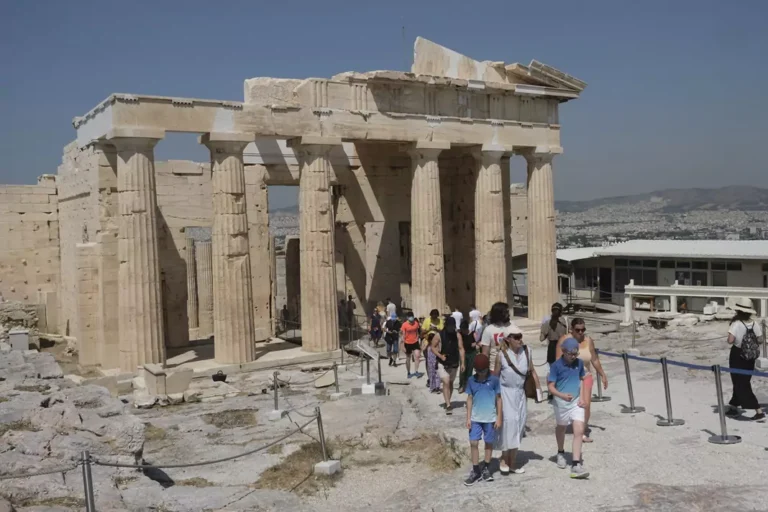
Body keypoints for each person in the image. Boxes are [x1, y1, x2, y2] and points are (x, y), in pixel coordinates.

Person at [494, 326, 541, 475]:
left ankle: (512, 462)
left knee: (519, 425)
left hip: (521, 393)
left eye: (520, 336)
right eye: (516, 337)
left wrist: (538, 389)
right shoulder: (501, 355)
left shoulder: (527, 351)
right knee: (509, 424)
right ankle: (503, 458)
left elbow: (532, 370)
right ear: (508, 339)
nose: (520, 339)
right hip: (505, 393)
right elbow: (495, 377)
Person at [556, 318, 608, 442]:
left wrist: (602, 374)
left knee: (586, 405)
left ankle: (581, 431)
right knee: (571, 404)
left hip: (586, 376)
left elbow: (594, 359)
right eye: (578, 330)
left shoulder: (588, 341)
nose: (581, 332)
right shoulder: (564, 340)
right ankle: (567, 426)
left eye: (583, 329)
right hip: (570, 377)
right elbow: (558, 360)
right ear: (571, 329)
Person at [548, 337, 589, 479]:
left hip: (576, 402)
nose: (573, 356)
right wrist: (562, 395)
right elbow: (550, 387)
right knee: (561, 427)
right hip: (561, 403)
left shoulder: (579, 363)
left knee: (579, 429)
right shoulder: (556, 366)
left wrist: (583, 398)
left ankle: (576, 463)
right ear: (564, 351)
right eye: (570, 354)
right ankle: (560, 452)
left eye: (575, 354)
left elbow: (582, 379)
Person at [464, 353, 502, 486]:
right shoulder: (471, 380)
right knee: (473, 442)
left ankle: (486, 467)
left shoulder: (494, 380)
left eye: (483, 371)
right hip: (475, 418)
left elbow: (498, 399)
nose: (481, 373)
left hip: (490, 418)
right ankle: (475, 470)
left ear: (488, 369)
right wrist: (468, 417)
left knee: (489, 443)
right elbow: (469, 399)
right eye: (478, 371)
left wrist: (499, 418)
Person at [726, 297, 765, 421]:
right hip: (750, 356)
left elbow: (730, 341)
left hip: (737, 354)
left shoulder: (736, 323)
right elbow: (760, 339)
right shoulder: (754, 323)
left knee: (741, 383)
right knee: (742, 380)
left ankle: (758, 411)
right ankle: (733, 406)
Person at [481, 302, 519, 371]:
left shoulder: (513, 326)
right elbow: (485, 353)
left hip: (512, 368)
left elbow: (519, 345)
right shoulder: (488, 330)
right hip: (494, 369)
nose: (508, 313)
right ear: (498, 314)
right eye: (506, 311)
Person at [437, 317, 462, 414]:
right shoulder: (439, 335)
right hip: (442, 363)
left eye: (453, 326)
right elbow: (433, 347)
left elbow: (461, 348)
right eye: (450, 326)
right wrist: (440, 355)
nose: (452, 328)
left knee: (450, 383)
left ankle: (448, 400)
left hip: (454, 362)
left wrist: (463, 362)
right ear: (446, 325)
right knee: (446, 381)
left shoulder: (457, 335)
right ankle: (448, 405)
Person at [540, 302, 568, 367]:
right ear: (561, 312)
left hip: (552, 349)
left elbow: (541, 338)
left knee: (553, 372)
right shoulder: (566, 321)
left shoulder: (547, 323)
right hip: (564, 347)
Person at [458, 319, 479, 393]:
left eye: (464, 329)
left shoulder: (473, 333)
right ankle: (461, 385)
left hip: (471, 353)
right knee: (462, 370)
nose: (463, 331)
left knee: (469, 370)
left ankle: (467, 385)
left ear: (467, 328)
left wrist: (475, 344)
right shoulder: (459, 334)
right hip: (463, 353)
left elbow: (478, 342)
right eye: (461, 329)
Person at [400, 314, 423, 378]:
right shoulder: (404, 324)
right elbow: (402, 335)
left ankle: (416, 371)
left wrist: (418, 338)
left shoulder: (416, 323)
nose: (411, 317)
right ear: (407, 317)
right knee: (408, 358)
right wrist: (402, 345)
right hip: (407, 343)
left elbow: (417, 332)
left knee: (417, 356)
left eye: (412, 316)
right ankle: (409, 372)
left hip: (415, 342)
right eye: (410, 316)